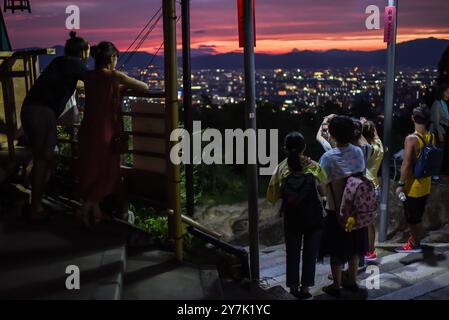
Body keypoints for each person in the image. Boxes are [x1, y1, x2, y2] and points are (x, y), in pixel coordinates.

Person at [77, 42, 149, 227]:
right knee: (109, 170)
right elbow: (144, 87)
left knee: (91, 168)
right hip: (106, 131)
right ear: (111, 58)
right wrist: (121, 84)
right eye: (116, 57)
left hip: (87, 130)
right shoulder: (114, 76)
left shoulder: (88, 76)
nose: (117, 61)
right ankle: (89, 207)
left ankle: (94, 212)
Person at [20, 31, 90, 222]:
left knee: (50, 157)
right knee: (43, 159)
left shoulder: (59, 63)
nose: (88, 58)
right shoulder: (74, 64)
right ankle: (35, 208)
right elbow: (95, 79)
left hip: (30, 110)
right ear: (82, 52)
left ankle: (34, 197)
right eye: (88, 53)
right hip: (43, 112)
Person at [267, 132, 327, 300]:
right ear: (304, 148)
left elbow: (273, 196)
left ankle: (293, 288)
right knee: (310, 253)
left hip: (292, 218)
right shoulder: (313, 166)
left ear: (285, 149)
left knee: (292, 253)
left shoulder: (281, 168)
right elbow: (324, 187)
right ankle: (305, 289)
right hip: (313, 217)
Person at [318, 115, 368, 298]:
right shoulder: (357, 152)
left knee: (336, 250)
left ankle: (336, 285)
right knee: (355, 247)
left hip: (335, 210)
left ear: (331, 133)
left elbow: (322, 188)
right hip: (355, 209)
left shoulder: (328, 158)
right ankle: (352, 281)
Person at [395, 107, 435, 253]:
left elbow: (406, 164)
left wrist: (400, 184)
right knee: (417, 215)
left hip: (413, 187)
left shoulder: (411, 139)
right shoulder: (431, 136)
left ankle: (414, 244)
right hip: (426, 184)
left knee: (412, 217)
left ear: (413, 119)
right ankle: (415, 240)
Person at [362, 120, 384, 261]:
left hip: (366, 185)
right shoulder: (379, 145)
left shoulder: (366, 148)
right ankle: (371, 250)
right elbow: (375, 134)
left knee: (365, 222)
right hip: (376, 185)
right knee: (371, 222)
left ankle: (368, 251)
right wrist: (370, 125)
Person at [430, 83, 449, 176]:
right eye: (447, 92)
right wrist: (440, 133)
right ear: (442, 93)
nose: (448, 95)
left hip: (443, 131)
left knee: (441, 154)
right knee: (437, 154)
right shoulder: (437, 103)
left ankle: (438, 173)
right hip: (438, 132)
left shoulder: (444, 104)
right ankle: (435, 175)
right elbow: (436, 120)